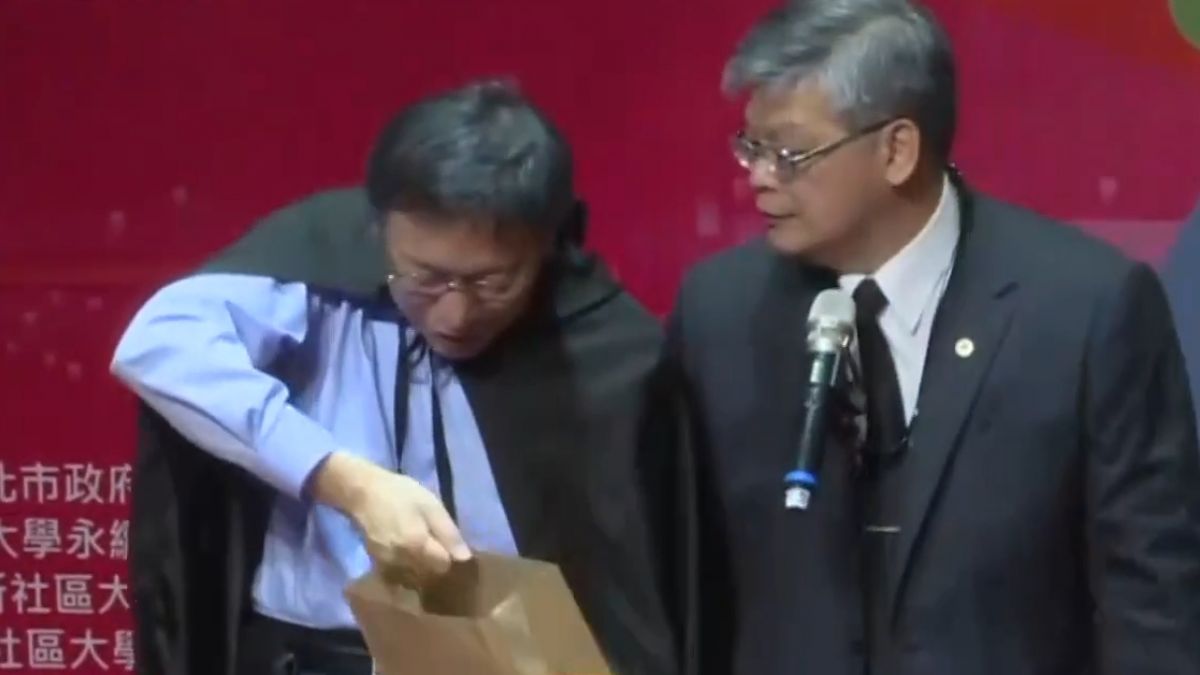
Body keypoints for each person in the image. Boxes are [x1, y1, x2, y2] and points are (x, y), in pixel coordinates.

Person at [667, 1, 1200, 673]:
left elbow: (1152, 603)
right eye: (753, 146)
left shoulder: (1084, 310)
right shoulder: (719, 312)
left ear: (896, 150)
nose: (759, 176)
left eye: (790, 153)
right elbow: (690, 585)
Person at [111, 80, 682, 675]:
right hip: (317, 653)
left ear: (544, 246)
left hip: (513, 657)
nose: (454, 314)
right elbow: (156, 343)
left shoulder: (601, 341)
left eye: (492, 283)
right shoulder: (319, 266)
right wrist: (345, 481)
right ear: (383, 229)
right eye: (425, 278)